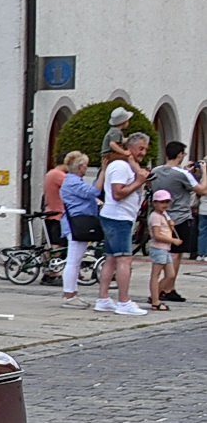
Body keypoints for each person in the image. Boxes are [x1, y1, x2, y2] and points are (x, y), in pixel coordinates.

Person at [97, 130, 150, 315]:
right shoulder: (120, 166)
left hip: (117, 216)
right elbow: (117, 193)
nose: (143, 153)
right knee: (124, 259)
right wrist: (139, 181)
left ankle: (103, 298)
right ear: (129, 147)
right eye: (140, 148)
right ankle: (124, 302)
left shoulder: (126, 165)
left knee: (111, 259)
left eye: (145, 149)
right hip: (118, 217)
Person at [148, 141, 206, 301]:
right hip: (180, 217)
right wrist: (204, 171)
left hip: (162, 216)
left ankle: (169, 287)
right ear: (180, 154)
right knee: (176, 254)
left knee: (166, 253)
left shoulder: (156, 170)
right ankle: (164, 288)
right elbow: (202, 189)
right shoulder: (182, 174)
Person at [58, 151, 100, 308]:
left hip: (76, 223)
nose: (86, 168)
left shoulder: (73, 181)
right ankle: (69, 295)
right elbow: (93, 192)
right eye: (86, 165)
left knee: (75, 260)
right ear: (81, 166)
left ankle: (72, 293)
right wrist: (102, 174)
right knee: (73, 261)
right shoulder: (73, 182)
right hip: (75, 224)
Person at [147, 190, 181, 311]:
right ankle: (155, 301)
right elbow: (157, 235)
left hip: (165, 249)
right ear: (155, 203)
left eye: (167, 202)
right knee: (155, 275)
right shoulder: (155, 216)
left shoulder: (164, 215)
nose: (165, 205)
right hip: (159, 248)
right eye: (162, 202)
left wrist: (170, 224)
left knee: (171, 275)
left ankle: (155, 294)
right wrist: (172, 240)